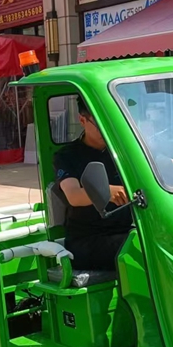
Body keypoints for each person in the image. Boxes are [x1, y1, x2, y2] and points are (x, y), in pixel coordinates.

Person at [53, 99, 133, 272]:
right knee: (142, 248)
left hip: (129, 231)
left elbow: (167, 164)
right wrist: (107, 192)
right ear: (82, 120)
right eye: (100, 123)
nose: (106, 129)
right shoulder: (67, 156)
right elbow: (74, 195)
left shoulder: (124, 150)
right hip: (89, 241)